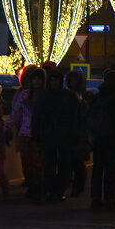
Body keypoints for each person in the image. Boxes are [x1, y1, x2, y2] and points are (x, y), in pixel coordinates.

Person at [32, 69, 83, 202]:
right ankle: (52, 189)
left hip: (63, 136)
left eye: (56, 80)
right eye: (52, 80)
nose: (53, 83)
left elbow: (76, 117)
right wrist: (37, 133)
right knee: (50, 164)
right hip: (50, 136)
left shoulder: (67, 97)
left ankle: (58, 190)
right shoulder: (47, 96)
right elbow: (37, 117)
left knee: (63, 164)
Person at [88, 70, 115, 209]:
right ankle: (109, 198)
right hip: (112, 137)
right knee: (111, 169)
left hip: (99, 135)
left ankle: (95, 198)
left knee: (98, 168)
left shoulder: (98, 95)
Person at [6, 67, 45, 201]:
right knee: (27, 163)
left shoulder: (46, 96)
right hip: (26, 133)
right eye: (34, 78)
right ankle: (33, 185)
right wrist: (7, 127)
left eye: (39, 79)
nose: (36, 81)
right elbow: (16, 113)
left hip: (40, 135)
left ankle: (38, 187)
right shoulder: (25, 95)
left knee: (39, 163)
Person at [64, 70, 90, 196]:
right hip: (72, 132)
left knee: (78, 163)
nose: (72, 83)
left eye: (74, 80)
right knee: (72, 162)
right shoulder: (69, 95)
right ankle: (73, 186)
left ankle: (77, 187)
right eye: (70, 80)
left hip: (78, 133)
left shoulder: (83, 97)